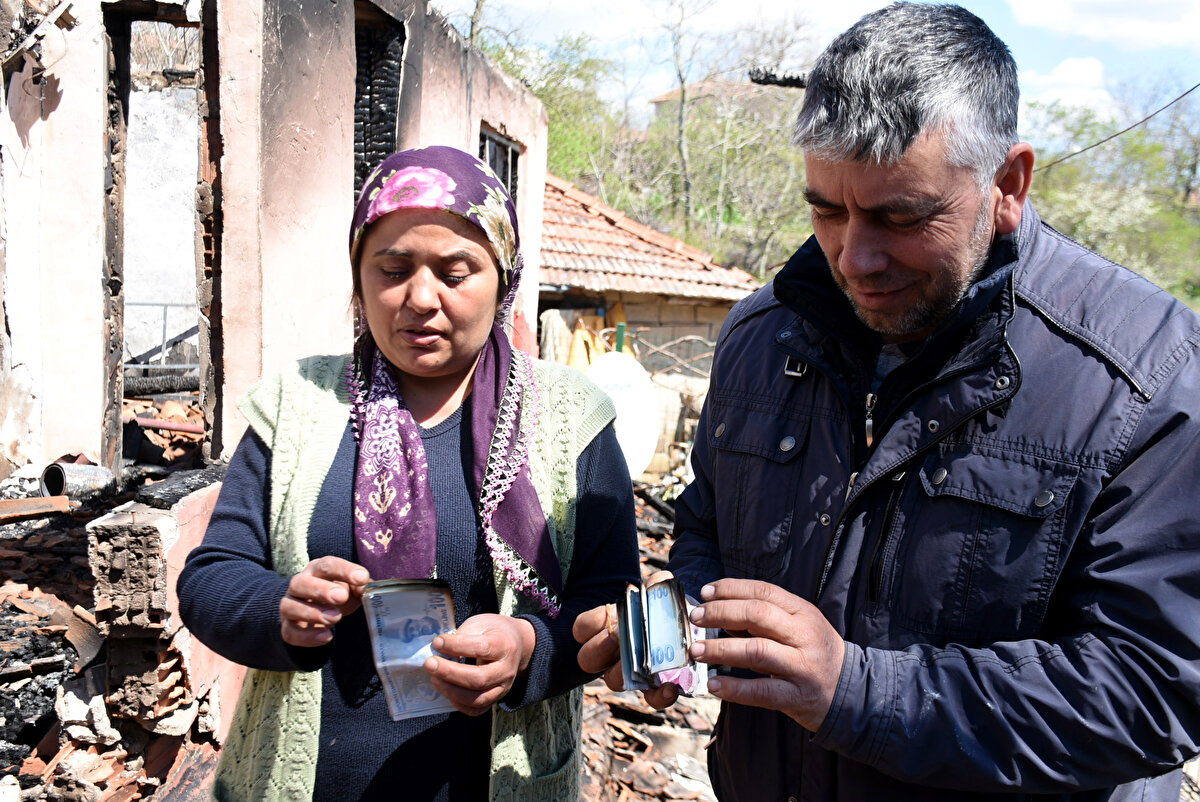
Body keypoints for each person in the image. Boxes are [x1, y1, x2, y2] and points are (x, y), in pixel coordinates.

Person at [575, 4, 1200, 800]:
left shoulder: (1146, 377)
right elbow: (707, 529)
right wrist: (685, 632)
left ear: (1007, 185)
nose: (853, 258)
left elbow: (1153, 686)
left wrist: (855, 691)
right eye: (826, 210)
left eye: (900, 216)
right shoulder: (761, 335)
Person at [178, 145, 639, 801]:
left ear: (503, 279)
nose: (421, 298)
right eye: (393, 270)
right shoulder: (296, 404)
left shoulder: (571, 417)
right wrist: (279, 608)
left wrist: (527, 647)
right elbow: (211, 576)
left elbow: (611, 603)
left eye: (455, 273)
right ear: (359, 276)